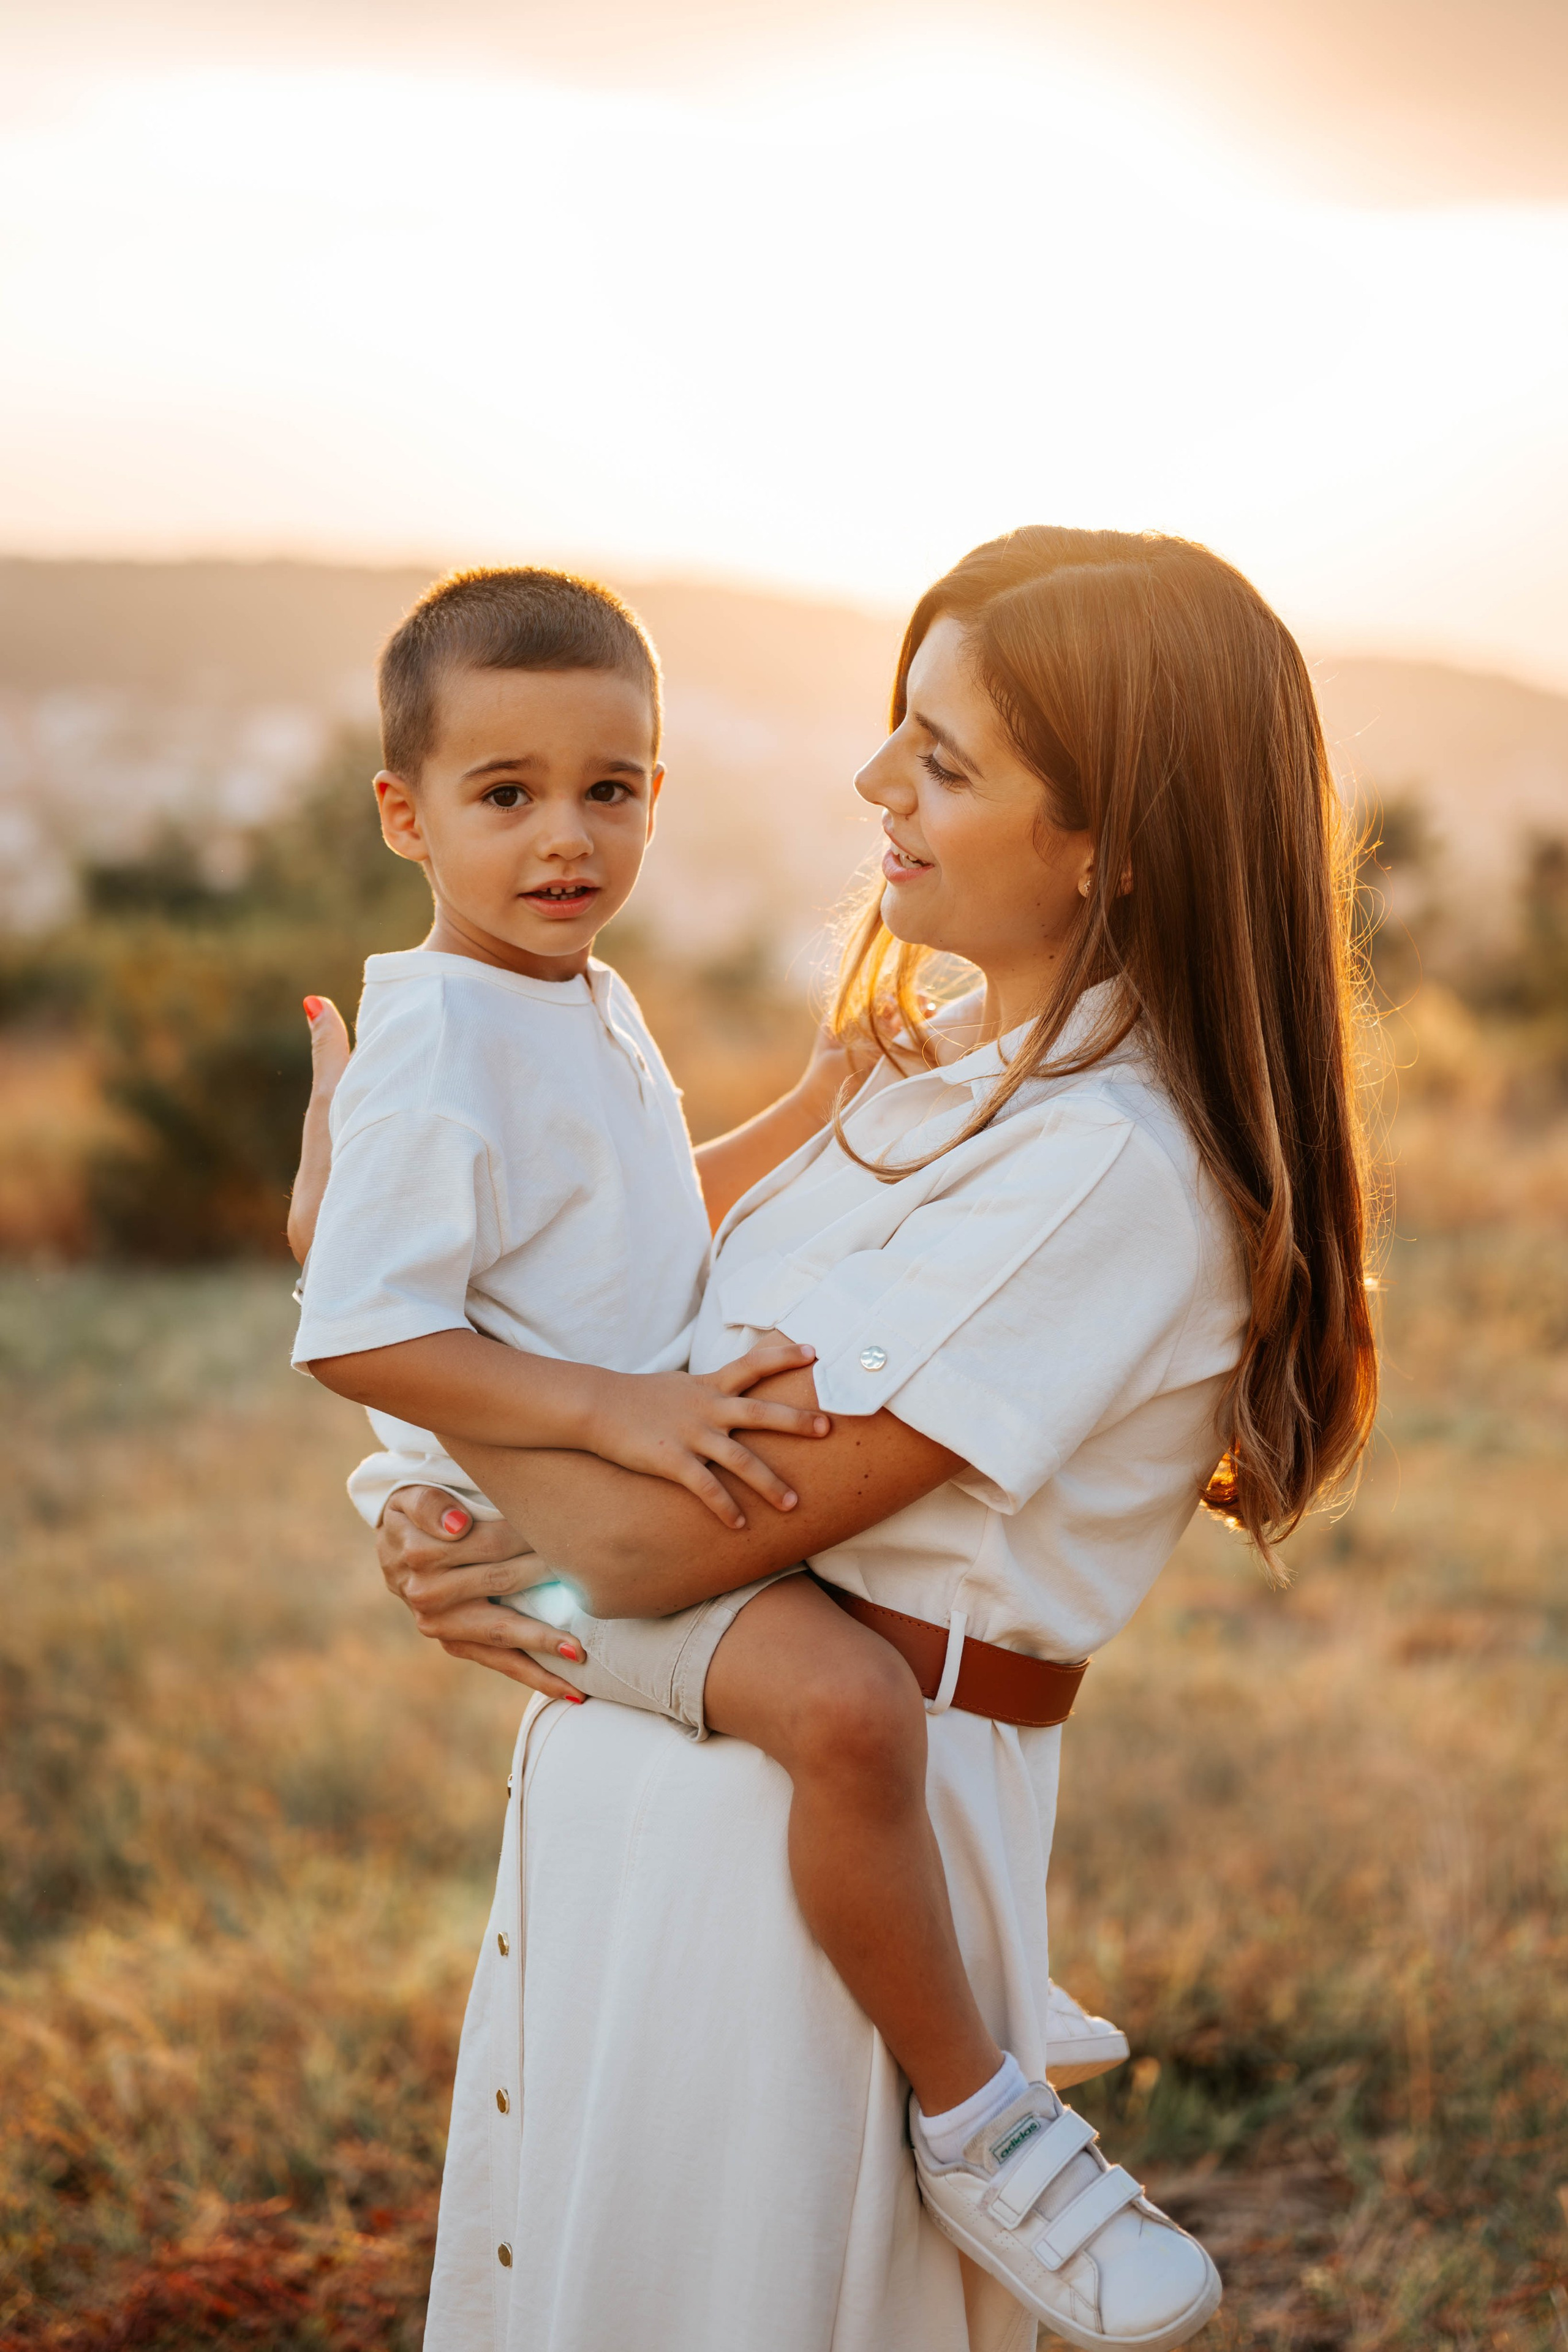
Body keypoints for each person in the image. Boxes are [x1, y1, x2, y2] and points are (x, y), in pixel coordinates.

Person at [314, 526, 1377, 2351]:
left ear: (1112, 839)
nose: (876, 781)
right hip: (658, 1795)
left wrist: (406, 1362)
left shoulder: (1103, 1166)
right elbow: (627, 1320)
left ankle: (992, 2131)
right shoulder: (937, 1063)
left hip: (797, 1894)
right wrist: (462, 1529)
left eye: (943, 760)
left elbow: (648, 1542)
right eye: (900, 726)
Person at [289, 565, 1131, 2252]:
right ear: (403, 816)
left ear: (658, 794)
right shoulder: (440, 1044)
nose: (566, 839)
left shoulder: (570, 996)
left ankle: (965, 1972)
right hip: (530, 1517)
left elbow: (643, 1215)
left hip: (609, 1471)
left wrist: (814, 1105)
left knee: (860, 1663)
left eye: (609, 791)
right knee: (851, 1710)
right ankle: (979, 2107)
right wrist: (613, 1412)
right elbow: (360, 1331)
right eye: (506, 796)